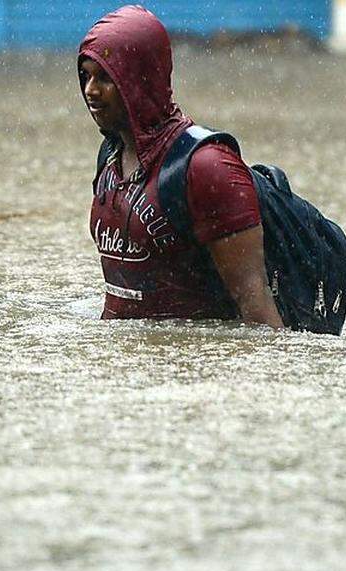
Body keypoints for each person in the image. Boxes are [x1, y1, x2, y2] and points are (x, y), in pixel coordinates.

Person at [78, 5, 285, 329]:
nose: (90, 90)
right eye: (85, 75)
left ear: (140, 79)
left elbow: (256, 307)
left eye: (105, 77)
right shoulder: (110, 156)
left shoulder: (206, 167)